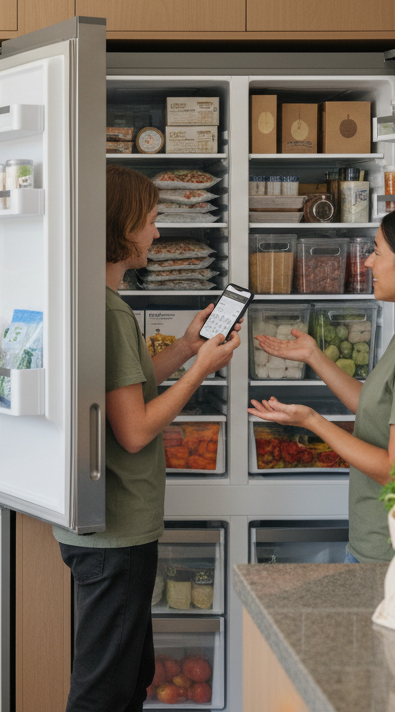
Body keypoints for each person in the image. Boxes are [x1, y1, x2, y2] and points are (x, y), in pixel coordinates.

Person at [55, 165, 241, 712]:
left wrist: (186, 348)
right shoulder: (110, 311)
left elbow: (123, 395)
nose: (157, 234)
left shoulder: (96, 300)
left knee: (130, 676)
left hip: (105, 523)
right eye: (152, 221)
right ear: (120, 227)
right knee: (104, 691)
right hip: (116, 529)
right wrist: (201, 369)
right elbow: (134, 431)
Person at [249, 203, 395, 563]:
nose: (367, 262)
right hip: (379, 537)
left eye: (375, 251)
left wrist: (312, 422)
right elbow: (375, 406)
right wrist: (315, 356)